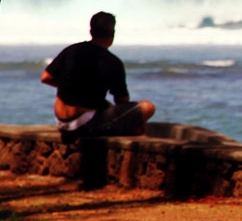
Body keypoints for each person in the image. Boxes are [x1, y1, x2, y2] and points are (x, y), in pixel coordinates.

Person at [40, 11, 156, 144]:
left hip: (62, 123)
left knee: (106, 106)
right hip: (84, 125)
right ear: (112, 34)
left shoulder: (72, 50)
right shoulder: (112, 62)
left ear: (91, 31)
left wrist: (71, 86)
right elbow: (122, 100)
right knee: (147, 107)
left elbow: (46, 77)